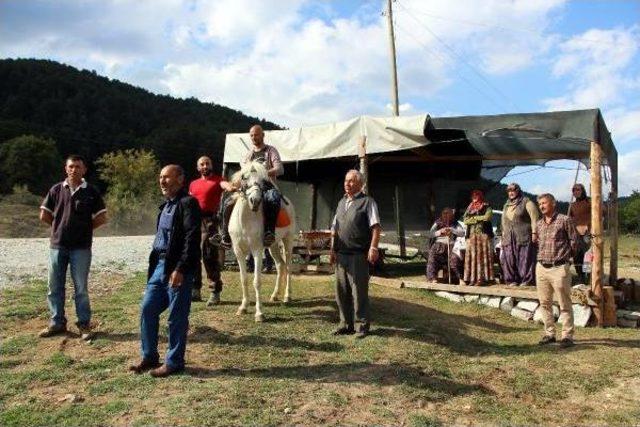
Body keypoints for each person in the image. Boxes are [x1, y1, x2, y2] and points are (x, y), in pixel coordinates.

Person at [129, 165, 201, 377]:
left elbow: (192, 239)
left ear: (180, 179)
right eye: (160, 177)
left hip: (177, 268)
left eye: (167, 177)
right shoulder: (165, 207)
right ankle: (150, 356)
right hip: (159, 267)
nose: (162, 181)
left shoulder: (189, 203)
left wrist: (180, 268)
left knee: (176, 316)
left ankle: (174, 361)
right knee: (148, 309)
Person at [38, 155, 107, 340]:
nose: (74, 169)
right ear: (66, 169)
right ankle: (57, 323)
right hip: (57, 246)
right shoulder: (56, 190)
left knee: (81, 289)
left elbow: (101, 217)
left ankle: (84, 324)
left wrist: (84, 229)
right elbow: (44, 214)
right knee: (54, 287)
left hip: (81, 248)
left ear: (84, 169)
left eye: (78, 166)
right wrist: (58, 227)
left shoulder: (91, 191)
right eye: (71, 166)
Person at [329, 170, 381, 339]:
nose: (347, 184)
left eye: (351, 181)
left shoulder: (368, 202)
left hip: (358, 255)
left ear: (360, 184)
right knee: (341, 291)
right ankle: (345, 324)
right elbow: (334, 228)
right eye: (346, 181)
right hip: (341, 255)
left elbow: (376, 227)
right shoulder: (341, 202)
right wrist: (332, 249)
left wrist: (373, 248)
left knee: (359, 292)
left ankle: (362, 326)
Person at [218, 124, 284, 249]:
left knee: (273, 197)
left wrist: (263, 172)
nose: (254, 137)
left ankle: (269, 232)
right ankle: (225, 235)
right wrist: (235, 184)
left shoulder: (271, 151)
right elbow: (244, 174)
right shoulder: (248, 156)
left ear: (263, 135)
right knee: (227, 201)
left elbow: (280, 169)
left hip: (267, 185)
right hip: (249, 188)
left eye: (256, 134)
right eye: (252, 135)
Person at [188, 156, 234, 305]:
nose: (205, 166)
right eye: (202, 164)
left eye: (207, 163)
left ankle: (215, 291)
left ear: (211, 165)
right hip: (193, 221)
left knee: (208, 254)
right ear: (198, 168)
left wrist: (232, 186)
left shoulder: (217, 180)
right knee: (192, 254)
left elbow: (226, 185)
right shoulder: (193, 184)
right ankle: (195, 289)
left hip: (210, 222)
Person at [535, 193, 578, 348]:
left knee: (564, 303)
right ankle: (549, 334)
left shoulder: (564, 220)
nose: (541, 206)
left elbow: (574, 241)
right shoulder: (539, 224)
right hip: (541, 267)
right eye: (539, 204)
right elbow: (538, 243)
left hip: (559, 267)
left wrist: (566, 259)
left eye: (544, 203)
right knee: (544, 303)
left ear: (553, 203)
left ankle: (567, 336)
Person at [500, 183, 540, 287]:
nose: (511, 193)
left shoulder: (527, 202)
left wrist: (534, 233)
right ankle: (511, 280)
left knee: (525, 258)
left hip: (523, 235)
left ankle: (526, 280)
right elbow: (503, 222)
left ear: (518, 190)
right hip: (509, 237)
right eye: (509, 191)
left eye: (513, 190)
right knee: (508, 258)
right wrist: (503, 235)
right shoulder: (506, 205)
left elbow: (535, 219)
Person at [462, 189, 494, 286]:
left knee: (482, 257)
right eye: (473, 196)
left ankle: (481, 278)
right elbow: (465, 220)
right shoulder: (470, 207)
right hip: (472, 236)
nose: (474, 197)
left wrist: (474, 218)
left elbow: (487, 217)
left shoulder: (486, 206)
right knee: (472, 257)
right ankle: (472, 278)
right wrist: (477, 219)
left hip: (483, 235)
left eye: (476, 195)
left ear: (480, 196)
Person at [426, 207, 464, 283]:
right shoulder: (437, 223)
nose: (446, 215)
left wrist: (452, 230)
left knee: (455, 259)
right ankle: (432, 278)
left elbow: (462, 233)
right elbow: (430, 234)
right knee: (432, 258)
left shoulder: (455, 223)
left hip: (451, 245)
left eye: (448, 213)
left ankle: (460, 279)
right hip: (438, 245)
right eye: (444, 213)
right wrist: (440, 232)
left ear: (452, 215)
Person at [568, 183, 591, 284]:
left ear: (583, 191)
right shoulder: (572, 205)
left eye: (578, 189)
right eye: (574, 190)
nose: (576, 192)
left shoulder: (589, 202)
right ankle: (581, 277)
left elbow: (602, 212)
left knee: (588, 256)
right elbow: (569, 219)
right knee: (577, 257)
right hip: (575, 234)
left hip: (588, 233)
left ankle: (589, 277)